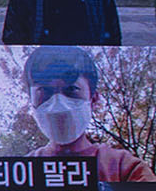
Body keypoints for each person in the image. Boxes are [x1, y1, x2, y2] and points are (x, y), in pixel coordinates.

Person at [22, 46, 154, 182]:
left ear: (93, 99)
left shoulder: (124, 168)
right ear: (31, 102)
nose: (58, 104)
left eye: (71, 89)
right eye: (45, 91)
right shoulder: (22, 171)